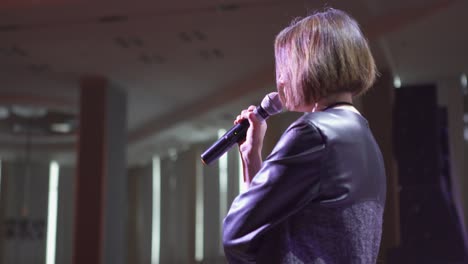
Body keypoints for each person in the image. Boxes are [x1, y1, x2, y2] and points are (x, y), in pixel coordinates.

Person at [222, 8, 386, 264]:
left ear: (312, 65)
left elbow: (237, 232)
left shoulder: (313, 133)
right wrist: (251, 156)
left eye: (286, 65)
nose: (281, 79)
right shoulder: (365, 137)